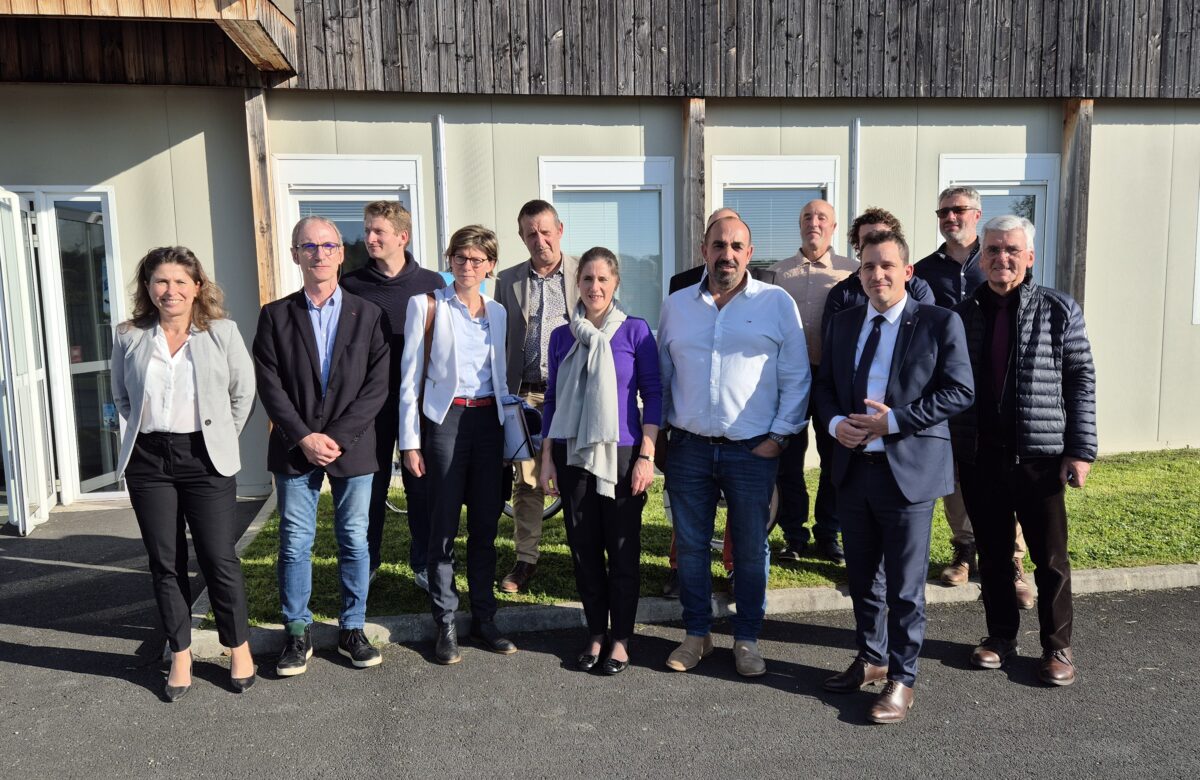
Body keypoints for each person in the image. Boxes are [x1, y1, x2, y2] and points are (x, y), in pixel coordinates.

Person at [813, 230, 974, 724]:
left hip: (908, 472)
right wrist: (838, 424)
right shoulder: (841, 324)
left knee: (905, 587)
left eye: (886, 266)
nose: (876, 275)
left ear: (908, 272)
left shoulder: (939, 322)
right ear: (857, 274)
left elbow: (960, 391)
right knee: (863, 578)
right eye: (867, 267)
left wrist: (894, 421)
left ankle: (903, 679)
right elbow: (824, 389)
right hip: (854, 470)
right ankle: (871, 657)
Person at [658, 215, 810, 678]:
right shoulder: (677, 305)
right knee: (690, 544)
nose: (727, 254)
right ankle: (696, 634)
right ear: (704, 250)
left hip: (751, 451)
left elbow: (796, 375)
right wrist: (661, 438)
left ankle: (746, 638)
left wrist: (780, 436)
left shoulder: (777, 303)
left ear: (749, 252)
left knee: (749, 549)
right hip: (688, 447)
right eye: (718, 245)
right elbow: (664, 374)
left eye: (736, 246)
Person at [952, 215, 1096, 687]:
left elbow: (1080, 381)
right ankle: (1000, 637)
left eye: (1012, 250)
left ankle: (1058, 648)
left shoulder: (1060, 309)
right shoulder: (964, 310)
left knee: (1050, 560)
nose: (1002, 258)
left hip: (1040, 458)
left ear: (1029, 257)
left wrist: (1080, 450)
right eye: (993, 250)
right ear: (982, 256)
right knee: (993, 554)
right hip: (981, 457)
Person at [112, 246, 257, 701]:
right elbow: (122, 397)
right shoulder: (129, 335)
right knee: (165, 561)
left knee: (219, 557)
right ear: (148, 288)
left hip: (205, 457)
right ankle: (180, 652)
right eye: (160, 281)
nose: (170, 290)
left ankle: (239, 647)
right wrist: (147, 435)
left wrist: (219, 441)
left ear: (197, 287)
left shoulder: (222, 332)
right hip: (149, 460)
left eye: (180, 281)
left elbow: (242, 392)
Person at [253, 216, 390, 676]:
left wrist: (336, 437)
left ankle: (352, 627)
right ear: (295, 254)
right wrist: (304, 436)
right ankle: (297, 631)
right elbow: (269, 384)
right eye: (308, 246)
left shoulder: (368, 314)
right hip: (296, 446)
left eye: (328, 245)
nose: (319, 253)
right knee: (295, 541)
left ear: (340, 253)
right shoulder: (275, 315)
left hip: (353, 445)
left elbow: (376, 386)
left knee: (354, 538)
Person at [539, 247, 662, 675]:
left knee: (623, 551)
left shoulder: (635, 332)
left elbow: (654, 396)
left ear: (615, 284)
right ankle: (595, 631)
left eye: (602, 280)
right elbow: (553, 400)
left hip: (623, 454)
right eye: (587, 279)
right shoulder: (561, 336)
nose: (594, 287)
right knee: (584, 550)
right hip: (572, 452)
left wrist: (648, 455)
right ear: (578, 284)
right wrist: (548, 458)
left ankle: (622, 638)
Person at [399, 225, 517, 665]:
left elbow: (501, 377)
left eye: (477, 259)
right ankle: (445, 622)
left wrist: (509, 434)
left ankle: (485, 619)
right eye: (460, 258)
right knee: (442, 526)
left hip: (488, 421)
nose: (468, 266)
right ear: (449, 260)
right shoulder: (426, 305)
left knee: (485, 527)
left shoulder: (498, 312)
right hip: (445, 422)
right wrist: (410, 443)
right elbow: (410, 378)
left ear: (490, 265)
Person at [913, 187, 1032, 605]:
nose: (950, 217)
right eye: (943, 210)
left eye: (959, 209)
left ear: (976, 214)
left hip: (997, 380)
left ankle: (1013, 559)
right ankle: (965, 548)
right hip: (946, 383)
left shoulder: (998, 257)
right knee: (958, 467)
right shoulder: (925, 270)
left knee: (1006, 466)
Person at [339, 200, 445, 590]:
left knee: (421, 483)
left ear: (403, 236)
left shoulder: (433, 284)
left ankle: (423, 562)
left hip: (419, 402)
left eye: (378, 231)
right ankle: (367, 560)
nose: (369, 238)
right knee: (372, 483)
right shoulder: (351, 285)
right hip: (370, 403)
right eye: (367, 230)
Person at [764, 199, 858, 565]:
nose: (813, 223)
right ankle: (793, 534)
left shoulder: (851, 272)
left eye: (822, 218)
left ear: (833, 227)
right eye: (807, 217)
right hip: (788, 379)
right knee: (788, 457)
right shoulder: (775, 274)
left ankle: (828, 533)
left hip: (833, 379)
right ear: (799, 225)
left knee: (835, 457)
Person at [494, 200, 580, 594]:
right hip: (526, 395)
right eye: (531, 233)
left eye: (546, 231)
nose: (540, 240)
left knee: (579, 475)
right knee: (526, 481)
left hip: (573, 393)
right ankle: (526, 559)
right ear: (522, 236)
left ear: (560, 229)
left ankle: (585, 555)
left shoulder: (584, 272)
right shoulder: (508, 279)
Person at [821, 208, 935, 336]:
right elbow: (833, 345)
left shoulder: (918, 289)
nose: (876, 242)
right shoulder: (841, 293)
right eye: (867, 238)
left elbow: (927, 335)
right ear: (857, 245)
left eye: (882, 236)